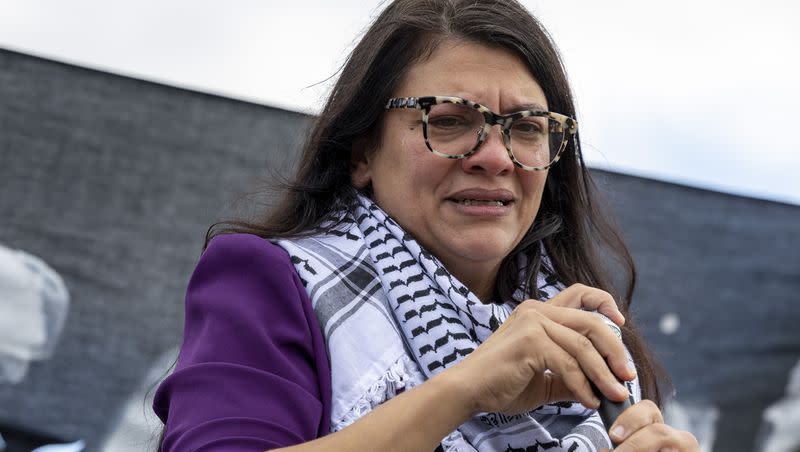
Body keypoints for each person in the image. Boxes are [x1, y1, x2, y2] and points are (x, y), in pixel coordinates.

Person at [153, 0, 700, 450]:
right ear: (362, 152)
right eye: (450, 120)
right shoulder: (269, 278)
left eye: (527, 127)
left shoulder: (592, 342)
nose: (496, 157)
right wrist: (466, 387)